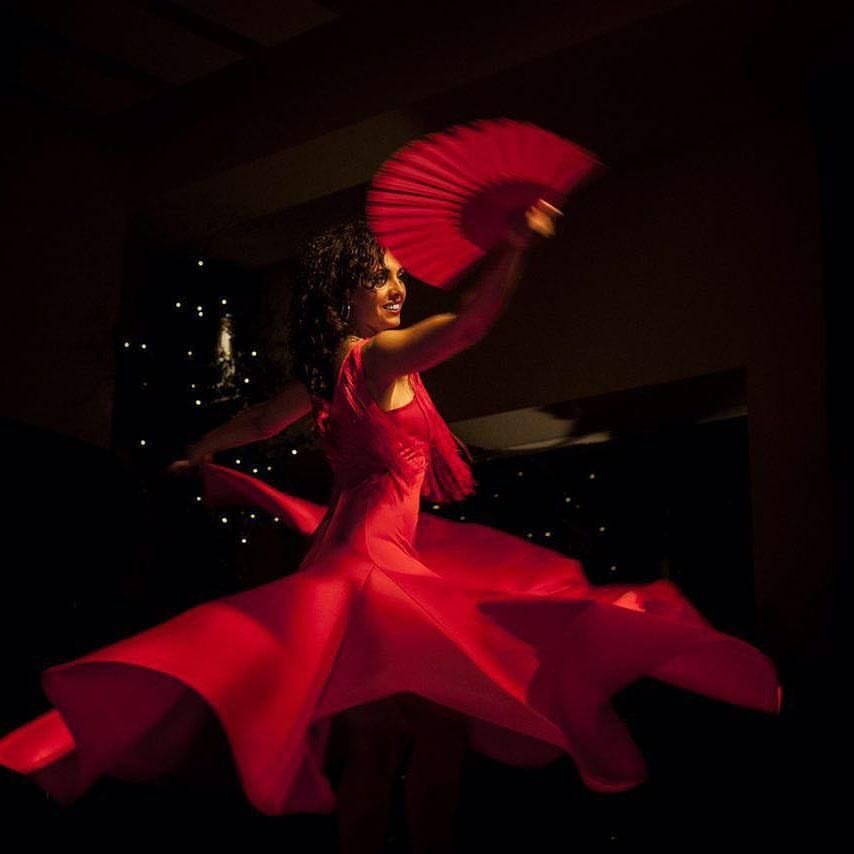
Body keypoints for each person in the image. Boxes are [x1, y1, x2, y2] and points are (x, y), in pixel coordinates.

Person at [0, 199, 782, 850]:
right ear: (345, 293)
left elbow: (259, 421)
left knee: (382, 744)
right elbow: (472, 324)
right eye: (382, 278)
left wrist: (198, 449)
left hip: (347, 563)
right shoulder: (379, 359)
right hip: (372, 570)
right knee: (424, 738)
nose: (398, 288)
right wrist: (513, 247)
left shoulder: (326, 374)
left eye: (400, 277)